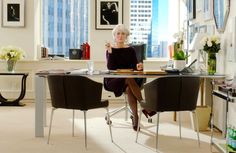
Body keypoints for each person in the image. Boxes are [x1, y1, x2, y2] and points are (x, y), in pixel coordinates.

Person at [103, 24, 155, 131]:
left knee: (128, 87)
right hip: (113, 80)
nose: (120, 36)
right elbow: (111, 67)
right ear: (114, 35)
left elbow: (134, 66)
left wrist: (139, 67)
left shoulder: (130, 50)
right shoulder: (110, 49)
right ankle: (144, 105)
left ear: (126, 36)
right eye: (118, 33)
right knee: (128, 78)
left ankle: (135, 117)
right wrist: (110, 52)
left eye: (123, 34)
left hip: (129, 80)